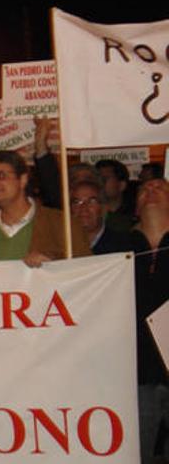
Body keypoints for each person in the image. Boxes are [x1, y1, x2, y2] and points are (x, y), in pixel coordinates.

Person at [0, 150, 90, 266]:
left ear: (23, 179)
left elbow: (85, 272)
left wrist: (53, 265)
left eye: (1, 176)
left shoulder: (63, 224)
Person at [129, 178, 169, 463]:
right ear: (136, 204)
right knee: (141, 452)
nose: (151, 191)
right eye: (144, 189)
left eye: (161, 188)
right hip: (137, 371)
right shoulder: (117, 246)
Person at [69, 180, 133, 254]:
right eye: (77, 202)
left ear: (103, 207)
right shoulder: (61, 246)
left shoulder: (124, 246)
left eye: (91, 201)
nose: (83, 208)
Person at [96, 159, 136, 231]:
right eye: (97, 179)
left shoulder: (134, 216)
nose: (100, 183)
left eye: (104, 179)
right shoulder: (90, 214)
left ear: (121, 185)